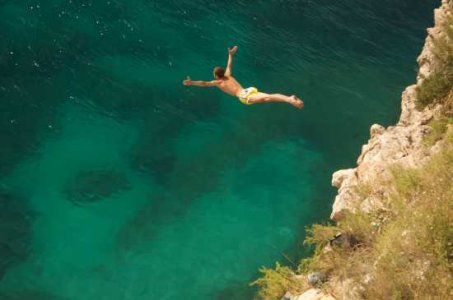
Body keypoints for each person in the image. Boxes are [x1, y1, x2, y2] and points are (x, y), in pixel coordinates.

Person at [182, 46, 304, 109]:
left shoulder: (218, 82)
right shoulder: (228, 75)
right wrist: (230, 54)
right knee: (267, 98)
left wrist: (191, 82)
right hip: (248, 90)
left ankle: (289, 99)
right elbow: (229, 63)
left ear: (216, 76)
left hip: (244, 96)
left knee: (266, 97)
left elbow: (204, 83)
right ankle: (288, 99)